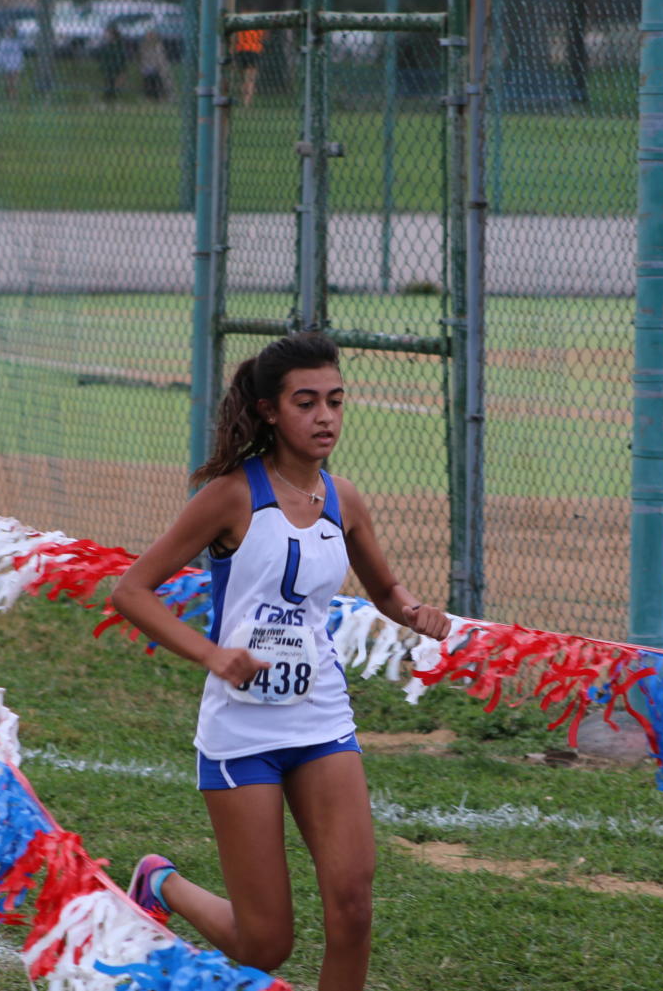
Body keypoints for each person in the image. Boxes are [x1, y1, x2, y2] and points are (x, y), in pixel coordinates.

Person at [111, 332, 451, 991]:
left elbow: (382, 587)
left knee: (351, 905)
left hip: (320, 718)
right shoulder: (231, 496)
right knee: (265, 943)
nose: (324, 416)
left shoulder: (344, 499)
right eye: (305, 402)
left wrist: (410, 609)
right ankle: (160, 880)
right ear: (269, 410)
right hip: (242, 733)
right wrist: (214, 654)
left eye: (335, 401)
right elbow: (129, 590)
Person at [0, 22, 23, 102]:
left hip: (16, 63)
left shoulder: (17, 42)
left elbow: (19, 53)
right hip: (7, 64)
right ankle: (11, 94)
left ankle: (14, 95)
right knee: (9, 80)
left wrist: (20, 62)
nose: (10, 33)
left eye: (12, 31)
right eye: (9, 31)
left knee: (15, 80)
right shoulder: (3, 42)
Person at [94, 22, 127, 102]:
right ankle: (108, 100)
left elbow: (122, 60)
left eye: (108, 33)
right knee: (108, 87)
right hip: (108, 70)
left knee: (114, 88)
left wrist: (122, 73)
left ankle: (112, 100)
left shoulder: (118, 46)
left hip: (116, 71)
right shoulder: (106, 46)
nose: (106, 35)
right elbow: (102, 57)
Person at [233, 26, 265, 106]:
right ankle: (246, 101)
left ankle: (244, 98)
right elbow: (263, 37)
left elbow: (235, 38)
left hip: (241, 50)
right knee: (251, 79)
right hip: (254, 50)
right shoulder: (259, 24)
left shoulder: (240, 24)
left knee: (244, 78)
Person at [138, 27, 171, 101]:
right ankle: (149, 97)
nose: (149, 37)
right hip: (148, 67)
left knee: (160, 82)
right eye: (148, 35)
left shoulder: (158, 45)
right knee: (148, 82)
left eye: (151, 35)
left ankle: (160, 96)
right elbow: (143, 57)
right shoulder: (144, 45)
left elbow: (161, 57)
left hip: (157, 67)